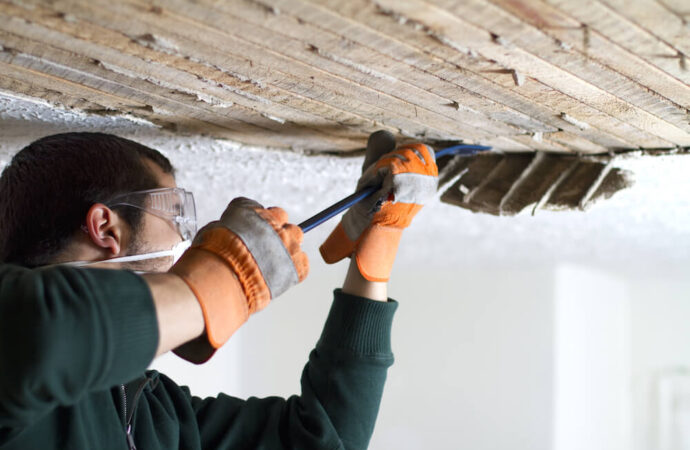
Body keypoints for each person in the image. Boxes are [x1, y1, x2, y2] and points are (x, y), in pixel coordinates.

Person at [0, 130, 438, 449]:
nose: (185, 242)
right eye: (174, 216)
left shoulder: (153, 412)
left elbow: (322, 439)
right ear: (105, 228)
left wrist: (373, 260)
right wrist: (215, 281)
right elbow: (48, 332)